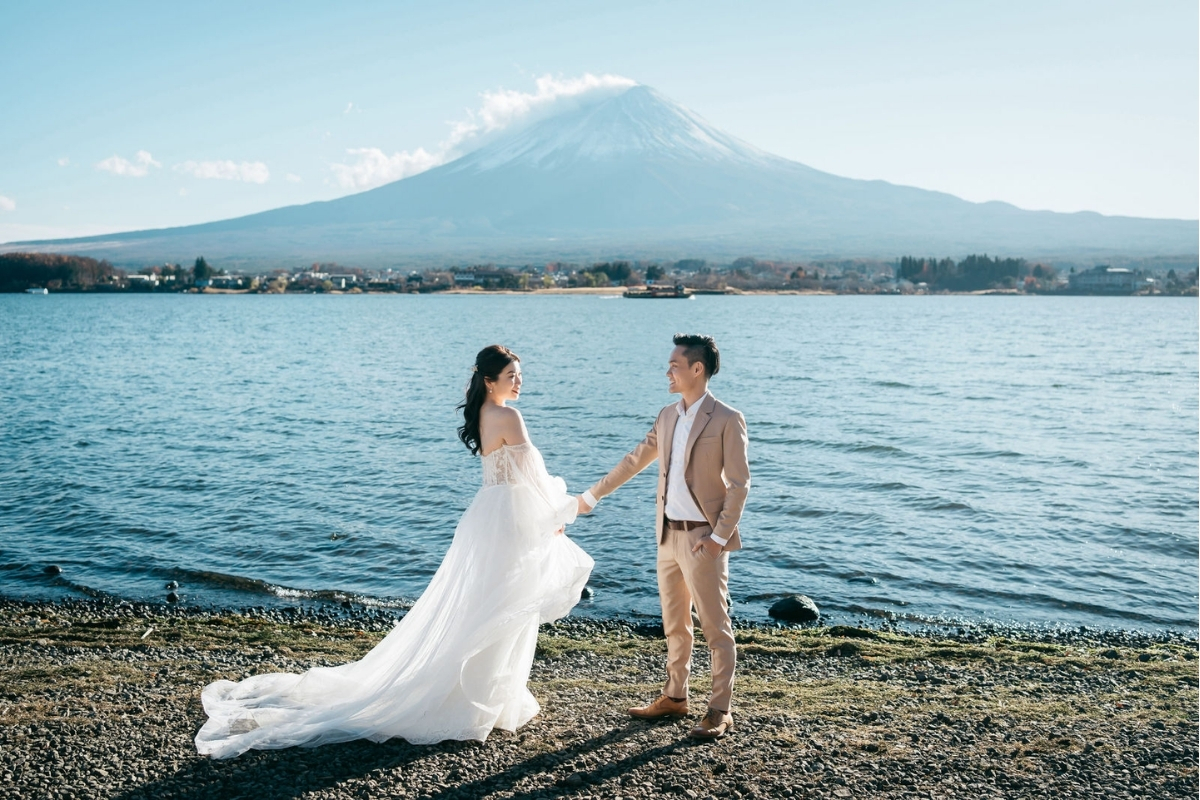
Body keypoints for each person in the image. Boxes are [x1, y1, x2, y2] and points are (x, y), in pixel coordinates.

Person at [196, 345, 593, 759]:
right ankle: (483, 700)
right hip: (511, 519)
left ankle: (484, 696)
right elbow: (534, 479)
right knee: (504, 603)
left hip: (489, 516)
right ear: (490, 381)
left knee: (485, 604)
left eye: (519, 373)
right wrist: (563, 510)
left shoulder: (482, 414)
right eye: (512, 375)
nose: (519, 381)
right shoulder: (510, 416)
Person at [578, 334, 748, 739]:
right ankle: (675, 697)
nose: (668, 371)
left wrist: (718, 538)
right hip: (667, 536)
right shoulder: (667, 415)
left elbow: (740, 485)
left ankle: (720, 709)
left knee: (715, 627)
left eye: (674, 364)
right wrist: (591, 496)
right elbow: (635, 459)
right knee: (675, 624)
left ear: (697, 369)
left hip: (703, 540)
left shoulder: (726, 418)